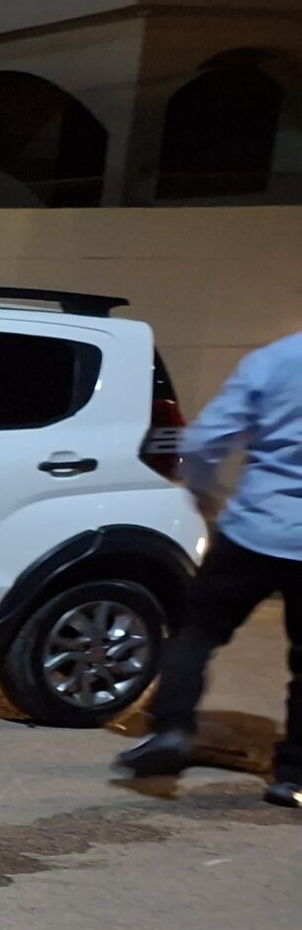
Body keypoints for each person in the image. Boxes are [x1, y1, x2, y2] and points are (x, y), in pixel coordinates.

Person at [114, 327, 302, 805]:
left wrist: (204, 495)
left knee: (196, 633)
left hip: (254, 531)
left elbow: (205, 441)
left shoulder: (274, 360)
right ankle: (293, 776)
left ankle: (172, 730)